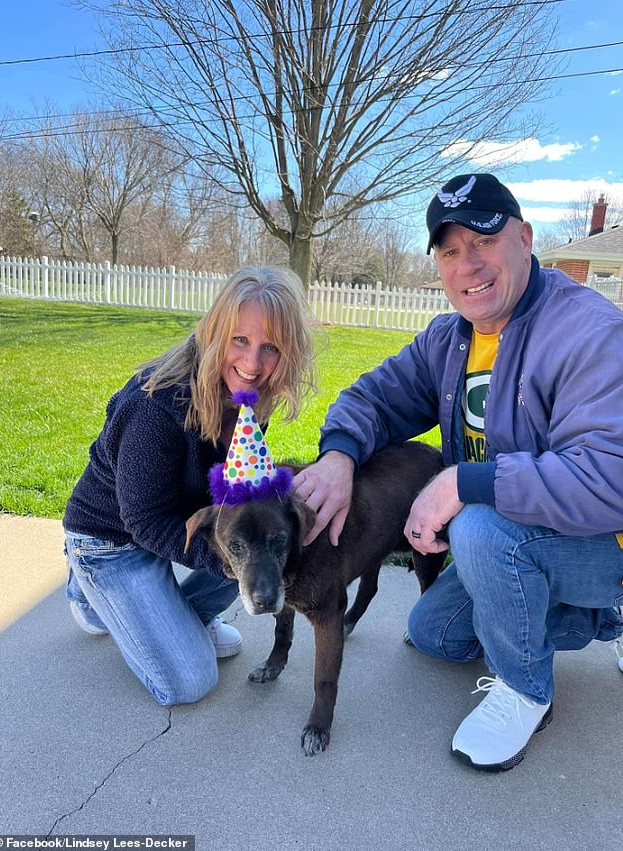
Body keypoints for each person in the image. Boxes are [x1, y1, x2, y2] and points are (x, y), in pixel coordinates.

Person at [292, 173, 623, 772]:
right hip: (517, 540)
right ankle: (605, 618)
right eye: (449, 249)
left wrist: (462, 484)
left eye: (484, 240)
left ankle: (526, 691)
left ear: (525, 238)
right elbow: (373, 398)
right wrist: (338, 455)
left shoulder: (590, 333)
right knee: (433, 634)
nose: (467, 264)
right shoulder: (450, 340)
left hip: (605, 541)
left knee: (478, 529)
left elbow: (608, 479)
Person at [64, 265, 316, 705]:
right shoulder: (154, 408)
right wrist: (232, 564)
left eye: (270, 347)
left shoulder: (248, 398)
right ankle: (88, 594)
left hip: (176, 518)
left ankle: (160, 614)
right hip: (111, 539)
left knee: (262, 545)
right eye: (240, 340)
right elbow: (143, 522)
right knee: (191, 680)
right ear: (213, 332)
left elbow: (237, 501)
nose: (253, 364)